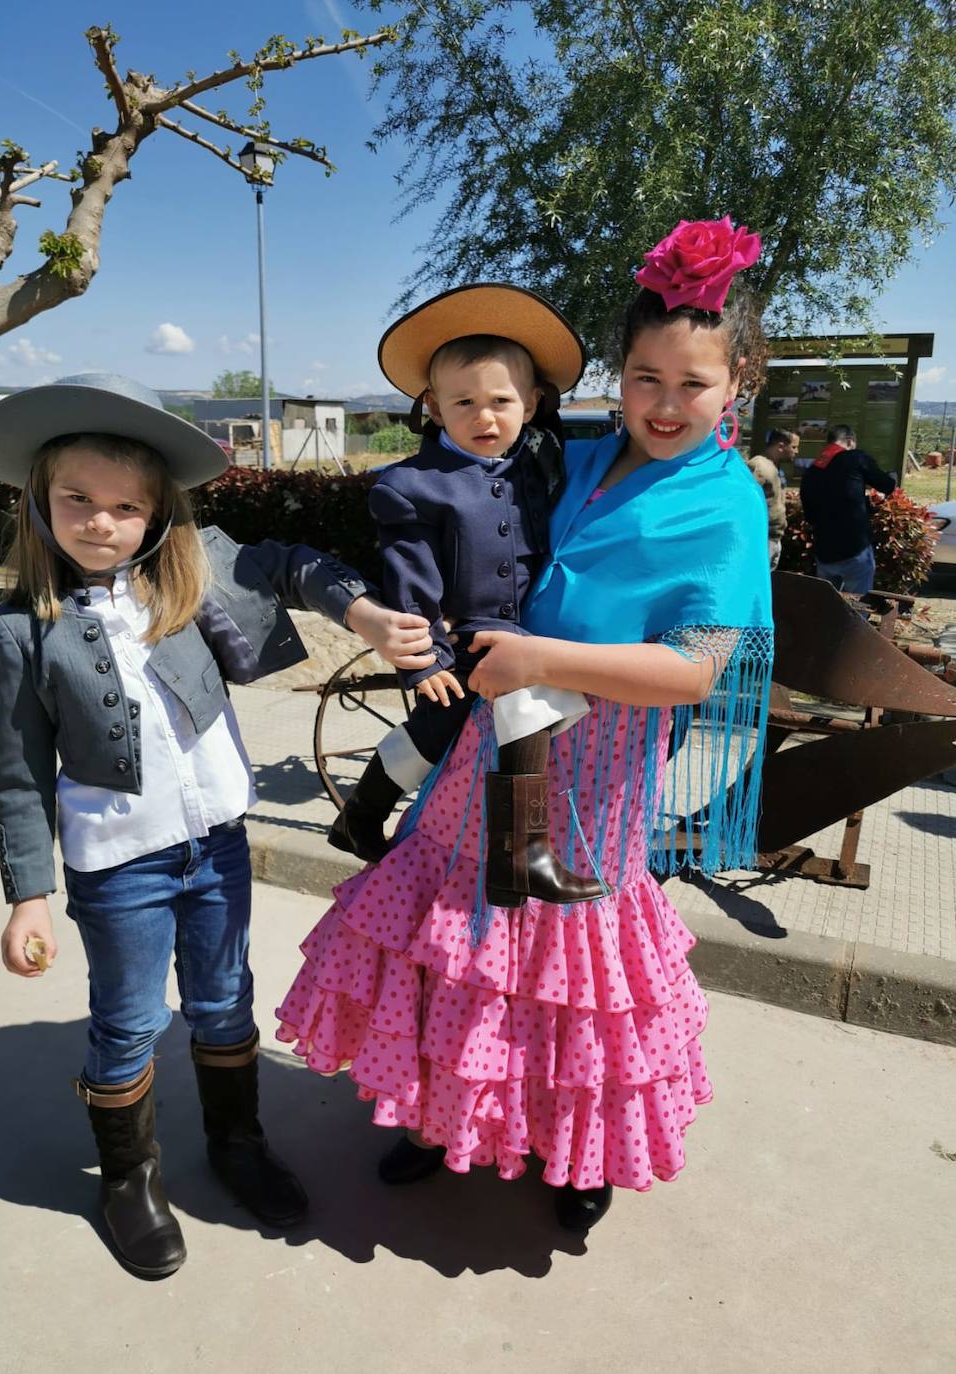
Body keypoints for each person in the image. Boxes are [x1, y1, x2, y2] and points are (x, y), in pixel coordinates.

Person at [276, 216, 773, 1233]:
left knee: (565, 954)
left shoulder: (721, 503)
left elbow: (692, 670)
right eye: (644, 378)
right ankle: (440, 1110)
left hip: (592, 757)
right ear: (614, 378)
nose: (665, 404)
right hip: (496, 733)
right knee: (462, 935)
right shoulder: (583, 459)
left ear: (736, 389)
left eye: (692, 385)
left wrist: (540, 659)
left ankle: (573, 1144)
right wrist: (388, 613)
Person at [0, 373, 431, 1280]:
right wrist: (29, 895)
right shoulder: (24, 628)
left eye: (125, 506)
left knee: (224, 1002)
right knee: (129, 1021)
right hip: (117, 867)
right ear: (38, 501)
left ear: (155, 512)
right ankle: (129, 1177)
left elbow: (299, 562)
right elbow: (19, 773)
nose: (101, 522)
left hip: (216, 848)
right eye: (78, 501)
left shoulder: (193, 573)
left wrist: (366, 614)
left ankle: (238, 1144)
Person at [328, 284, 600, 908]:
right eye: (465, 402)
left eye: (501, 402)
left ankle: (361, 817)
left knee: (454, 728)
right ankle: (519, 858)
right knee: (475, 717)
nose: (485, 417)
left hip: (520, 629)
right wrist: (424, 658)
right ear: (433, 406)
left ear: (531, 405)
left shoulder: (534, 467)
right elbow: (410, 576)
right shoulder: (411, 485)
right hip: (459, 636)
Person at [799, 424, 897, 594]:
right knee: (857, 607)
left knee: (827, 605)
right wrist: (892, 477)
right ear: (850, 442)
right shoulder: (855, 458)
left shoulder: (812, 470)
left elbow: (811, 513)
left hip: (824, 551)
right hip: (855, 547)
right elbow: (886, 484)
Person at [745, 428, 794, 567]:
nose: (796, 452)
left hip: (774, 537)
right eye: (794, 447)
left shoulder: (776, 469)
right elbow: (747, 500)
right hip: (761, 538)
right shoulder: (759, 466)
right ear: (780, 446)